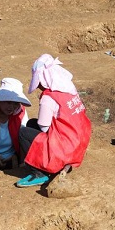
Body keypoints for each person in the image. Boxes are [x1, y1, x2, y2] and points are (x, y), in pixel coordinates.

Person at [16, 54, 92, 187]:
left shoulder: (48, 98)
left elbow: (44, 126)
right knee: (31, 124)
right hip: (77, 142)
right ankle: (57, 163)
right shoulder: (69, 89)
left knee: (23, 133)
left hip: (64, 147)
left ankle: (39, 172)